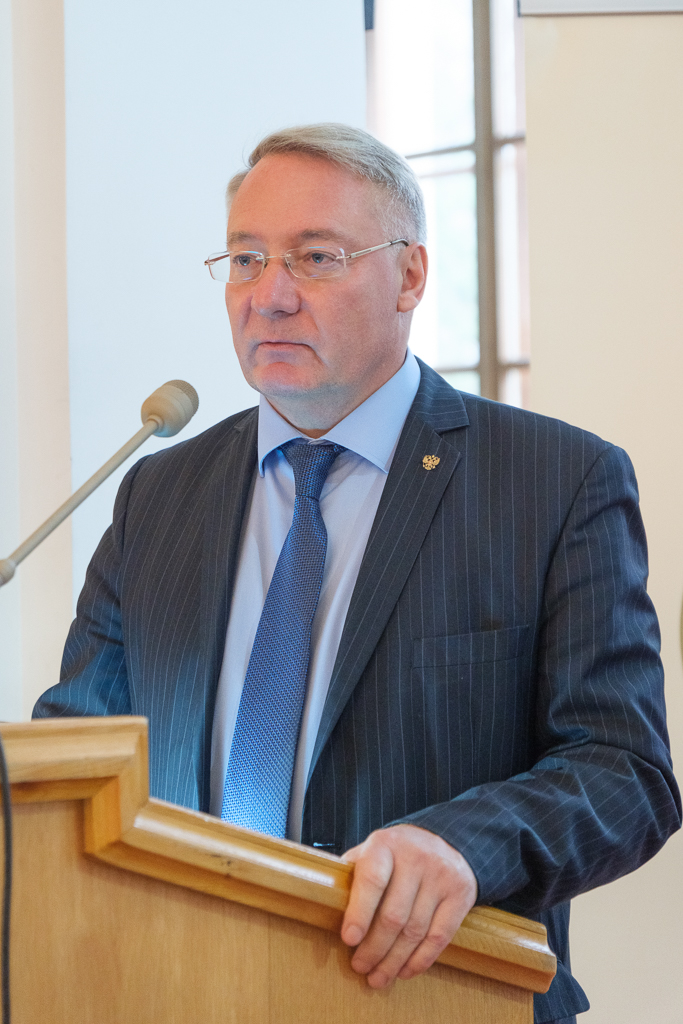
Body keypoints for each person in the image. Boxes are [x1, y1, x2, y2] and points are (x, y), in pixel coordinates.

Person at [34, 124, 680, 1024]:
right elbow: (79, 756)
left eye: (316, 258)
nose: (270, 297)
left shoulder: (553, 482)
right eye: (246, 260)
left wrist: (461, 847)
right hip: (180, 990)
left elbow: (623, 770)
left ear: (409, 276)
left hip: (432, 995)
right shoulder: (158, 492)